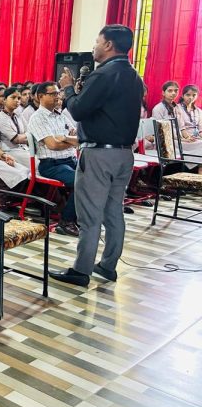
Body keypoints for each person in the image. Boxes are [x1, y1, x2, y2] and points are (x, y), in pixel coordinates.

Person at [48, 26, 144, 286]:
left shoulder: (103, 74)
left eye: (97, 41)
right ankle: (108, 265)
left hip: (99, 154)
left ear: (109, 44)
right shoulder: (134, 76)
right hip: (123, 154)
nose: (94, 46)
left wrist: (69, 89)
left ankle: (81, 271)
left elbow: (78, 110)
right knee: (113, 211)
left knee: (89, 215)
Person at [27, 82, 80, 236]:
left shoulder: (60, 115)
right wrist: (70, 141)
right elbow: (53, 145)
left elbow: (80, 139)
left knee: (96, 177)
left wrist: (65, 138)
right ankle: (66, 222)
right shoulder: (37, 118)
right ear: (40, 96)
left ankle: (82, 218)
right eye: (53, 94)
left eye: (58, 93)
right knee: (82, 182)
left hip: (70, 160)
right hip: (52, 165)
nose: (58, 97)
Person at [0, 86, 30, 167]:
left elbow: (29, 131)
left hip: (24, 148)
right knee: (38, 164)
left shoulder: (18, 115)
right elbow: (16, 139)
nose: (17, 100)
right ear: (4, 100)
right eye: (13, 97)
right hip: (10, 151)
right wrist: (29, 136)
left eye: (19, 98)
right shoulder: (0, 118)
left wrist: (28, 135)